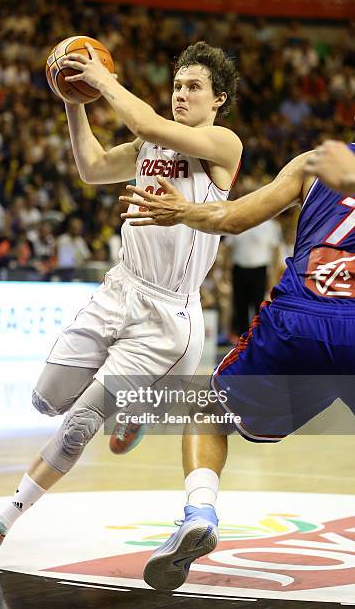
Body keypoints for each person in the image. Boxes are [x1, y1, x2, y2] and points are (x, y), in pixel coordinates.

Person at [0, 41, 242, 572]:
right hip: (118, 290)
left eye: (194, 87)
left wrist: (100, 78)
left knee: (79, 423)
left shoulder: (221, 144)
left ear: (218, 98)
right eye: (177, 85)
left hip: (167, 318)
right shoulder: (147, 142)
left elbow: (151, 126)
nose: (182, 94)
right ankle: (135, 407)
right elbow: (89, 168)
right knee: (46, 400)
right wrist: (73, 99)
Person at [119, 142, 355, 590]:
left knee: (209, 411)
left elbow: (232, 217)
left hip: (298, 322)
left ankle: (200, 512)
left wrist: (182, 211)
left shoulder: (315, 160)